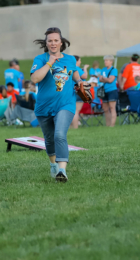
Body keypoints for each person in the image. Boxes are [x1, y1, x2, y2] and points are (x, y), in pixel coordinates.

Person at [31, 27, 83, 183]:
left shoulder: (71, 59)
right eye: (50, 41)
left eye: (56, 40)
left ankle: (62, 170)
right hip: (44, 106)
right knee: (49, 138)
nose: (53, 43)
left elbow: (75, 75)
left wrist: (80, 83)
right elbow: (34, 79)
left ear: (61, 42)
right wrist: (49, 63)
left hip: (65, 104)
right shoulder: (40, 59)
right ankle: (53, 164)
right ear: (46, 43)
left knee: (59, 134)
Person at [99, 55, 118, 127]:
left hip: (112, 90)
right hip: (105, 90)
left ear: (111, 62)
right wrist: (105, 79)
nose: (105, 62)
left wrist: (104, 78)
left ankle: (112, 125)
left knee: (112, 107)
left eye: (107, 60)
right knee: (105, 108)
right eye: (105, 60)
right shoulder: (103, 69)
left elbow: (111, 80)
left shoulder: (114, 70)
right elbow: (100, 79)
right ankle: (108, 124)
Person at [71, 55, 89, 128]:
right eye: (80, 60)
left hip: (72, 90)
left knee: (72, 110)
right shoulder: (77, 69)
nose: (80, 62)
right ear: (76, 61)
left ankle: (71, 126)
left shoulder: (70, 68)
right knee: (76, 110)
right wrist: (85, 68)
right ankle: (75, 127)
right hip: (79, 90)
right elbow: (84, 76)